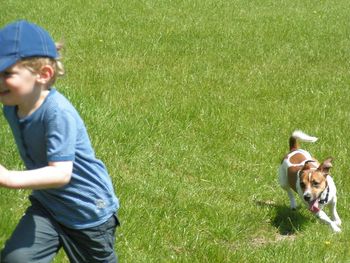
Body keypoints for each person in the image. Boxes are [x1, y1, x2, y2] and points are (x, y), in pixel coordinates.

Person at [0, 20, 120, 262]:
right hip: (48, 205)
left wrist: (9, 177)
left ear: (43, 75)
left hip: (86, 212)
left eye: (7, 73)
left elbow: (61, 174)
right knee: (16, 259)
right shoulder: (11, 105)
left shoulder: (57, 113)